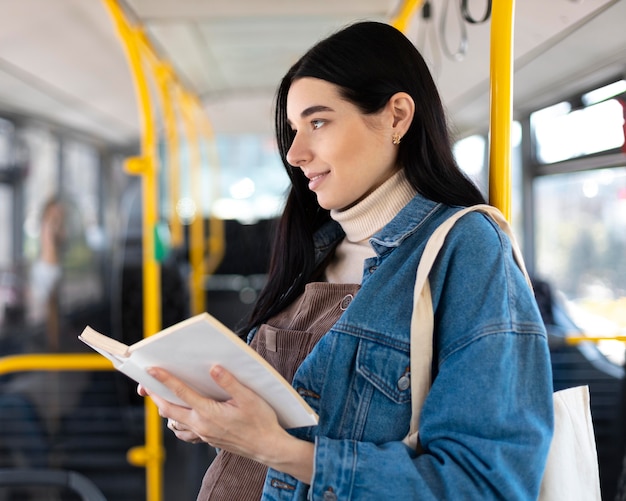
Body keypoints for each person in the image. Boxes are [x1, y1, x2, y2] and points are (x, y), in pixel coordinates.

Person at [139, 21, 554, 500]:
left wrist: (275, 448)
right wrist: (214, 419)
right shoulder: (313, 248)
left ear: (397, 116)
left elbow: (486, 483)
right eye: (294, 130)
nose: (295, 153)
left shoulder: (467, 250)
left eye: (317, 122)